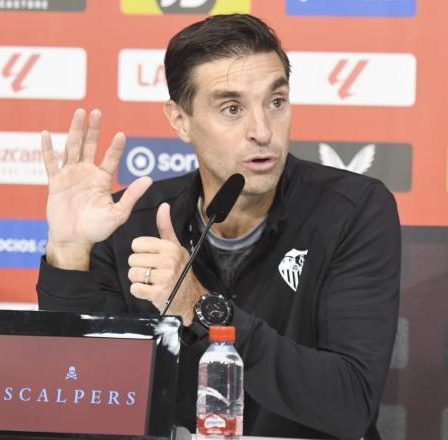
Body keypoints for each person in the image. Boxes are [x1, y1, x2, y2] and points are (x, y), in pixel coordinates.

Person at [36, 14, 400, 440]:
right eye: (232, 108)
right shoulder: (128, 221)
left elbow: (350, 405)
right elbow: (77, 390)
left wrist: (202, 306)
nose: (262, 131)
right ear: (179, 119)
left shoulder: (351, 211)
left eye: (276, 102)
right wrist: (68, 251)